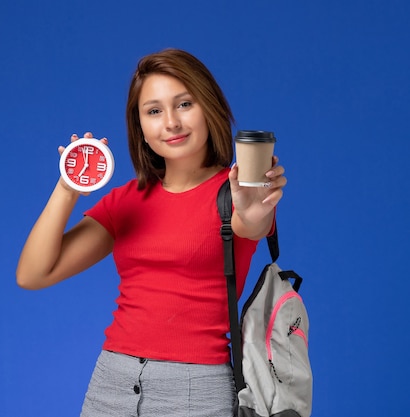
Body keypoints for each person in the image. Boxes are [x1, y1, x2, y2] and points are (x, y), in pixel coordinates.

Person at [16, 48, 287, 417]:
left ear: (209, 109)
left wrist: (256, 207)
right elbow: (33, 274)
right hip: (111, 382)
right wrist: (67, 189)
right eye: (154, 111)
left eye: (185, 104)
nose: (171, 122)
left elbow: (252, 221)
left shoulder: (237, 194)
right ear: (140, 128)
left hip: (195, 390)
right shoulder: (126, 201)